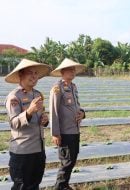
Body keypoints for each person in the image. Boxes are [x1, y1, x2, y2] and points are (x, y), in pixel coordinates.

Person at [5, 59, 51, 190]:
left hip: (38, 150)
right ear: (21, 75)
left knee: (35, 184)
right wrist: (29, 111)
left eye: (36, 73)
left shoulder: (37, 95)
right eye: (30, 73)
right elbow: (14, 123)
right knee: (22, 186)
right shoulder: (14, 97)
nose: (34, 76)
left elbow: (41, 118)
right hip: (23, 151)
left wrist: (45, 120)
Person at [49, 58, 85, 190]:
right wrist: (55, 133)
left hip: (75, 130)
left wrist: (82, 113)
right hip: (64, 132)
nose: (72, 72)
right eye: (70, 69)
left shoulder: (73, 87)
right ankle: (59, 187)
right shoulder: (57, 89)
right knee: (67, 161)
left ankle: (65, 185)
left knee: (72, 159)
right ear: (62, 72)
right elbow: (53, 112)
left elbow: (77, 107)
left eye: (73, 69)